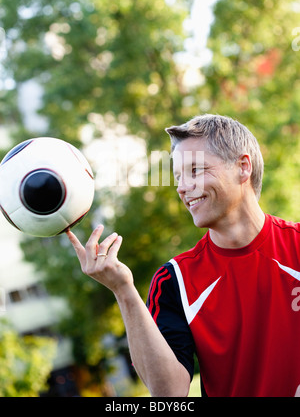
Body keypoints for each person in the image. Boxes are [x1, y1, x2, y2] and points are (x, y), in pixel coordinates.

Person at [67, 114, 300, 397]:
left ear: (243, 167)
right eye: (178, 176)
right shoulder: (174, 280)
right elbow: (169, 394)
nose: (182, 187)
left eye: (195, 170)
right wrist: (123, 289)